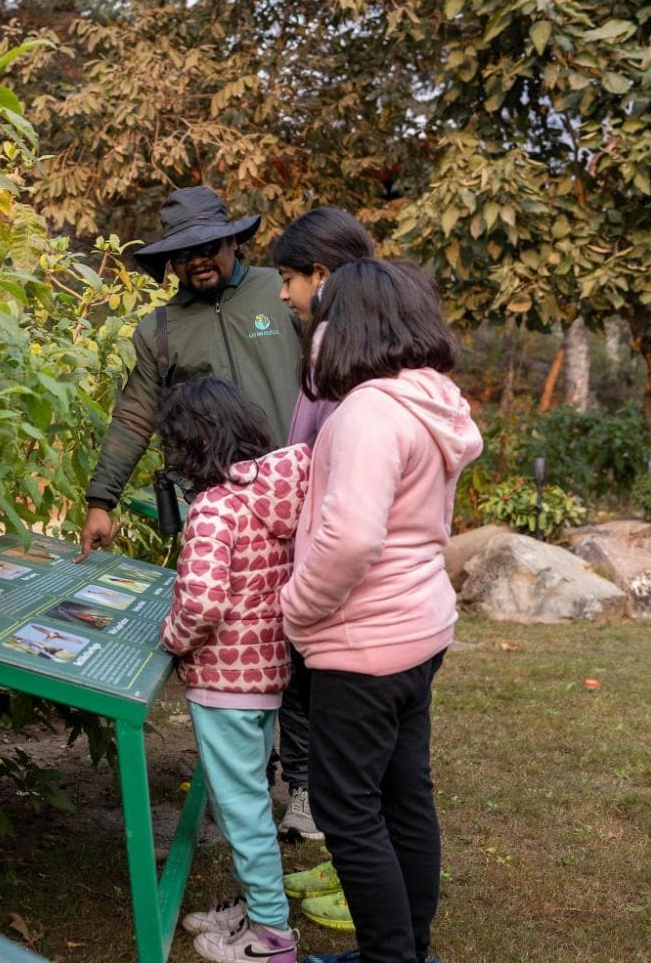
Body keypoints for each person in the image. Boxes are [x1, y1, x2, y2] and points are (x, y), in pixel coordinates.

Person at [281, 260, 482, 963]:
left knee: (346, 809)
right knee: (403, 796)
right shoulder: (432, 403)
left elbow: (352, 537)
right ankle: (406, 952)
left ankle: (391, 958)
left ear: (346, 325)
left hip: (363, 644)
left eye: (319, 317)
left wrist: (294, 609)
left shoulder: (368, 410)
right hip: (419, 632)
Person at [157, 376, 310, 963]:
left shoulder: (214, 507)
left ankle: (270, 938)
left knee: (241, 808)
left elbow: (200, 602)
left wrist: (172, 638)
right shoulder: (272, 496)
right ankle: (253, 906)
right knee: (244, 798)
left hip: (223, 680)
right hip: (266, 674)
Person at [78, 186, 302, 560]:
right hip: (219, 513)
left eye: (208, 247)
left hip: (300, 491)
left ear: (232, 240)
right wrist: (101, 501)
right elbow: (134, 417)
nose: (197, 260)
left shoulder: (282, 292)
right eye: (182, 253)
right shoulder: (160, 331)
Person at [263, 207, 377, 845]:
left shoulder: (335, 347)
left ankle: (315, 807)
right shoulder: (377, 342)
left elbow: (318, 457)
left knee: (315, 702)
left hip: (334, 574)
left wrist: (299, 600)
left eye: (289, 277)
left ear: (322, 274)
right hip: (380, 595)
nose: (283, 293)